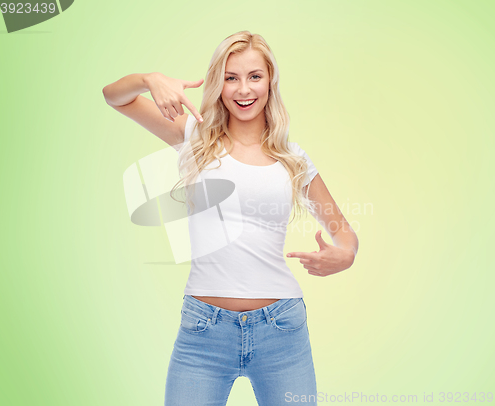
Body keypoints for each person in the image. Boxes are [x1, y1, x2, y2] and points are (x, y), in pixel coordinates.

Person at [103, 30, 359, 406]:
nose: (243, 90)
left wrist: (346, 254)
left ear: (270, 81)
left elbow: (344, 233)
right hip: (203, 332)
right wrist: (149, 80)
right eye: (231, 77)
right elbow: (114, 97)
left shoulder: (293, 157)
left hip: (282, 330)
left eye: (255, 76)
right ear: (218, 84)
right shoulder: (193, 137)